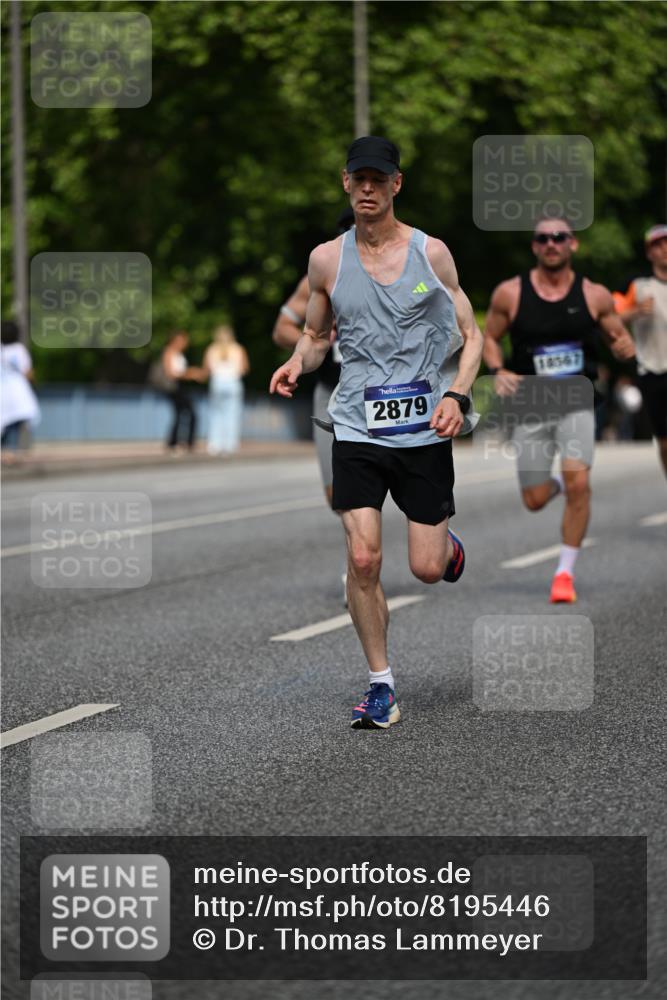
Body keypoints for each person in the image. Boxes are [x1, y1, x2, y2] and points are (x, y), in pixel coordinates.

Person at [270, 136, 483, 730]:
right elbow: (315, 337)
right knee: (362, 558)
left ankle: (447, 548)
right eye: (358, 178)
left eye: (378, 178)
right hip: (357, 426)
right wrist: (297, 362)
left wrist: (457, 394)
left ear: (396, 184)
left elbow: (474, 334)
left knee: (425, 568)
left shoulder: (431, 254)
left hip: (423, 431)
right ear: (345, 183)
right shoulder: (325, 260)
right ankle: (381, 683)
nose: (367, 188)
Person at [483, 219, 635, 604]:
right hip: (530, 403)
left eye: (559, 237)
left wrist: (624, 348)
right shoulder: (510, 293)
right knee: (534, 499)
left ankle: (564, 572)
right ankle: (563, 483)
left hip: (576, 400)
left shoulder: (594, 294)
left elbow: (618, 336)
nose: (551, 243)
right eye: (543, 238)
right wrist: (498, 369)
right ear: (534, 247)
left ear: (573, 245)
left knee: (580, 483)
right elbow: (489, 338)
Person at [272, 208, 354, 602]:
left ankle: (429, 527)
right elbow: (281, 328)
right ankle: (358, 559)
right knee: (336, 492)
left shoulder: (399, 268)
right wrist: (316, 340)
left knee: (390, 480)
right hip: (330, 393)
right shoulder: (322, 275)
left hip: (385, 395)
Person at [612, 224, 667, 477]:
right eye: (657, 244)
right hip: (654, 371)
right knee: (665, 443)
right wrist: (635, 312)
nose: (664, 248)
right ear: (649, 253)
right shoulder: (637, 286)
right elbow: (610, 317)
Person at [203, 325, 250, 455]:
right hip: (233, 382)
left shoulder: (211, 349)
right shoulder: (238, 349)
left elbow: (206, 369)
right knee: (232, 414)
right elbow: (245, 368)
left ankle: (214, 445)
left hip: (217, 382)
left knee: (216, 414)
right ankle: (230, 445)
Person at [158, 331, 204, 453]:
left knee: (181, 414)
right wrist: (191, 374)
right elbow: (171, 373)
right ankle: (182, 442)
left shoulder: (179, 354)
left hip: (181, 386)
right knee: (188, 413)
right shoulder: (169, 352)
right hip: (174, 387)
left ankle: (176, 442)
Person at [1, 321, 40, 462]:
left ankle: (5, 449)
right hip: (17, 390)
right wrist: (34, 384)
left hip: (2, 389)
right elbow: (27, 371)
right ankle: (11, 450)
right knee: (16, 421)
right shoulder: (19, 349)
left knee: (4, 421)